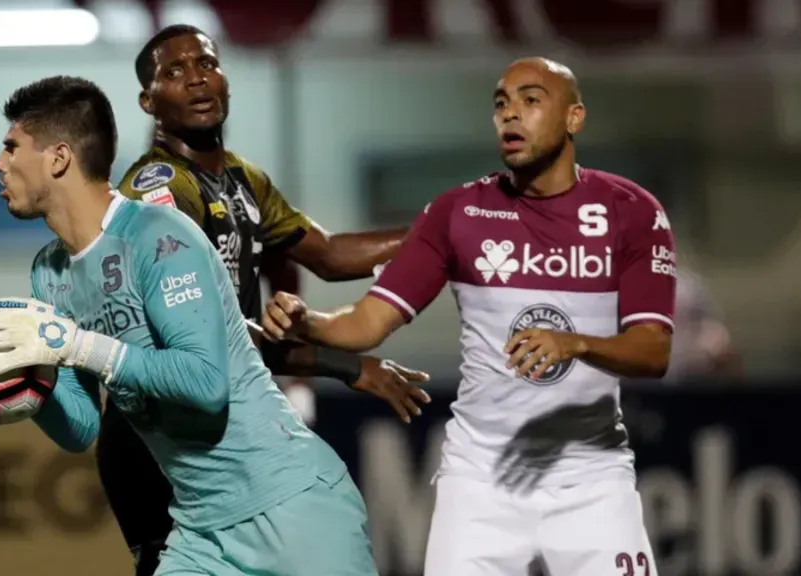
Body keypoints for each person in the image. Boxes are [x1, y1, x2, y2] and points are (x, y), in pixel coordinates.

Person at [0, 75, 380, 575]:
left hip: (291, 508)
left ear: (58, 158)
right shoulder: (49, 273)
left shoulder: (159, 236)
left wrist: (74, 344)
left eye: (12, 147)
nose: (0, 163)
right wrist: (14, 375)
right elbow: (80, 427)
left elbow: (206, 384)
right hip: (201, 534)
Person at [262, 57, 676, 576]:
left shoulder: (631, 210)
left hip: (591, 478)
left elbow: (653, 350)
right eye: (501, 103)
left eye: (531, 100)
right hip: (480, 482)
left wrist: (576, 344)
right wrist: (308, 321)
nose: (511, 115)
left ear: (574, 118)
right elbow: (366, 323)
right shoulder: (458, 213)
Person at [102, 24, 424, 573]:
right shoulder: (157, 192)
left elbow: (330, 256)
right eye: (173, 72)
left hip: (218, 433)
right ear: (148, 100)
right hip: (156, 442)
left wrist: (444, 230)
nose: (197, 80)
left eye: (206, 63)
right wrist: (345, 365)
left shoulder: (244, 180)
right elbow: (203, 338)